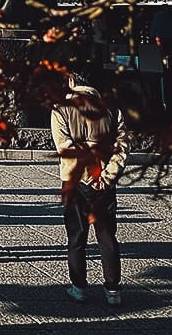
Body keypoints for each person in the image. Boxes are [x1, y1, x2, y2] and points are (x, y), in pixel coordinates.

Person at [50, 72, 128, 307]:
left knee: (76, 236)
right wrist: (105, 175)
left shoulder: (61, 109)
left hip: (74, 181)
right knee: (107, 235)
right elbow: (121, 148)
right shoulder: (112, 111)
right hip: (104, 183)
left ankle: (79, 287)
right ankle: (113, 289)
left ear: (72, 82)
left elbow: (64, 146)